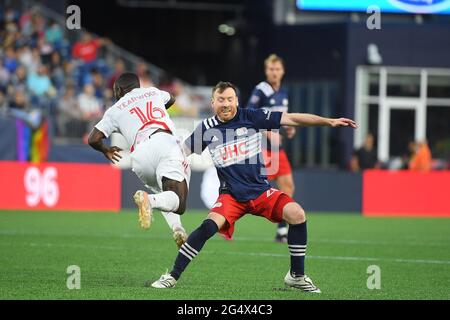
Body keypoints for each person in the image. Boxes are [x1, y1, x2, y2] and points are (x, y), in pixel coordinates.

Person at [151, 81, 357, 291]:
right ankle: (172, 276)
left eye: (230, 99)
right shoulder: (206, 128)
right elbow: (180, 154)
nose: (226, 104)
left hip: (260, 191)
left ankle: (296, 275)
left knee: (297, 214)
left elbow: (292, 118)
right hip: (230, 196)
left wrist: (329, 121)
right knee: (207, 227)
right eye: (221, 100)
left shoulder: (251, 116)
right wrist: (160, 166)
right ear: (212, 103)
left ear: (236, 101)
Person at [87, 72, 190, 248]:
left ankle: (177, 228)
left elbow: (93, 138)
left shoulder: (114, 109)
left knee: (164, 192)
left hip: (140, 156)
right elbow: (171, 99)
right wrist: (157, 113)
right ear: (138, 86)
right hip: (163, 141)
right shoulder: (152, 92)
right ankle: (149, 201)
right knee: (179, 201)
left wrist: (106, 150)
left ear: (119, 90)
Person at [246, 54, 295, 243]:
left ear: (282, 71)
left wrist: (289, 128)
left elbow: (282, 116)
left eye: (277, 69)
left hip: (277, 148)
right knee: (252, 191)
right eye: (271, 69)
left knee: (288, 186)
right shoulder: (261, 90)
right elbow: (250, 115)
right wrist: (267, 132)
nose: (274, 72)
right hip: (261, 147)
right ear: (266, 71)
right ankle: (225, 218)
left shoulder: (284, 91)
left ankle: (282, 230)